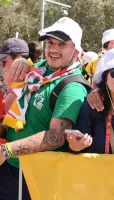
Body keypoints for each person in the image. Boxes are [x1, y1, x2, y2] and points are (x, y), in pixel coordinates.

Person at [0, 17, 88, 199]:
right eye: (50, 43)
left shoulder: (73, 87)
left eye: (62, 44)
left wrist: (7, 150)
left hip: (35, 176)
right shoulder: (41, 69)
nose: (54, 49)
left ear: (77, 50)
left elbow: (56, 137)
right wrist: (23, 62)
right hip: (12, 167)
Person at [0, 38, 33, 113]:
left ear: (18, 60)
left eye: (3, 62)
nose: (2, 67)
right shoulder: (36, 79)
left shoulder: (13, 96)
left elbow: (10, 125)